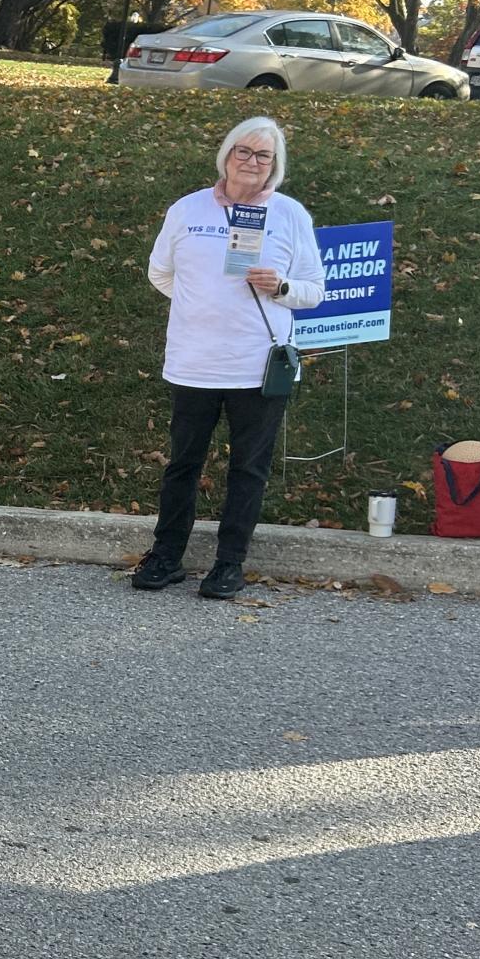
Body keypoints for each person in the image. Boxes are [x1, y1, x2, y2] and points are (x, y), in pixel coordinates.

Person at [133, 117, 324, 600]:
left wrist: (279, 287)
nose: (252, 162)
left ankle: (229, 563)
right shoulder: (186, 209)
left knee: (248, 469)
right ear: (226, 155)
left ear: (275, 166)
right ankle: (166, 557)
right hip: (193, 363)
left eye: (264, 156)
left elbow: (313, 291)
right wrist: (200, 307)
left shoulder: (290, 215)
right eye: (244, 151)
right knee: (183, 464)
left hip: (256, 366)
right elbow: (161, 274)